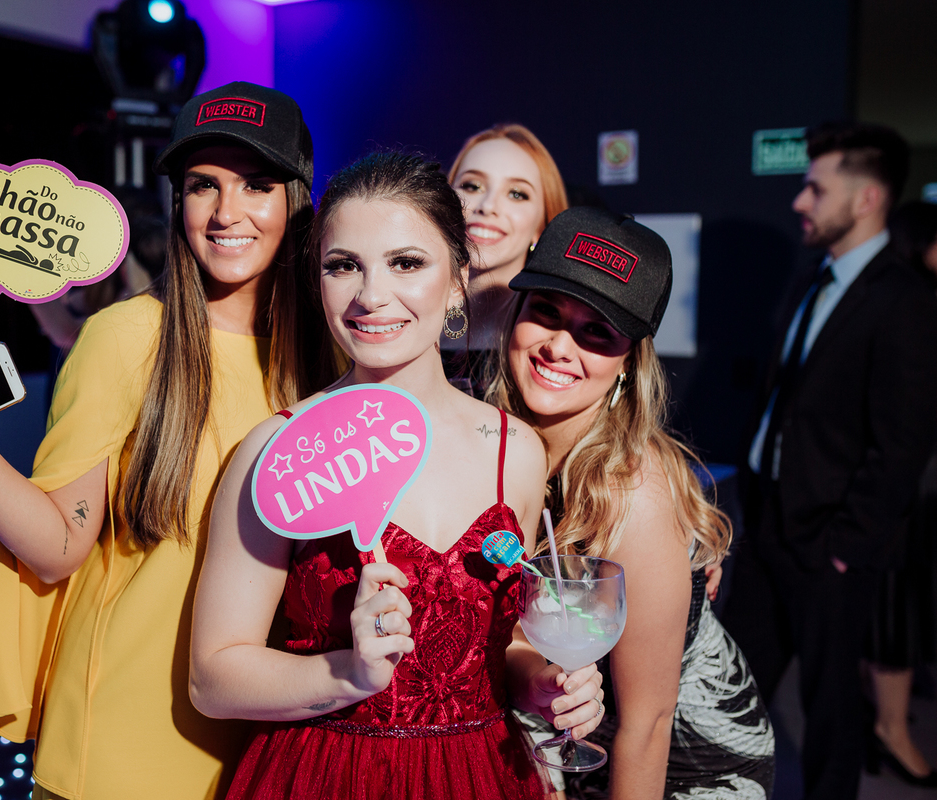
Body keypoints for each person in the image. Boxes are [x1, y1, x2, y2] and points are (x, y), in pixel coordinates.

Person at [0, 82, 339, 800]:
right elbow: (59, 542)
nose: (228, 212)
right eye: (203, 186)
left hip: (272, 743)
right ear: (178, 201)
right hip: (126, 743)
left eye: (257, 184)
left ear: (296, 201)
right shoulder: (126, 338)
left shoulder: (327, 361)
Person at [190, 151, 606, 800]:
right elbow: (212, 678)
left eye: (406, 263)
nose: (371, 296)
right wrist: (346, 674)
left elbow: (508, 643)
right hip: (327, 774)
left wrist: (545, 682)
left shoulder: (515, 451)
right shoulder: (281, 450)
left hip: (480, 774)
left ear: (457, 280)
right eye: (342, 266)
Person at [489, 206, 775, 799]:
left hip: (682, 762)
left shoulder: (634, 490)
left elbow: (648, 724)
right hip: (564, 739)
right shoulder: (488, 440)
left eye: (598, 332)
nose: (560, 347)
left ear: (629, 361)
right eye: (547, 311)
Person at [721, 122, 937, 800]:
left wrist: (847, 546)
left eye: (816, 188)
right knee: (726, 686)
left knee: (832, 716)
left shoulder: (906, 300)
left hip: (830, 545)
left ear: (867, 197)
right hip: (768, 529)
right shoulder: (817, 281)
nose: (800, 202)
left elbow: (903, 444)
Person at [861, 200, 937, 787]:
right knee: (894, 608)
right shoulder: (907, 299)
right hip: (902, 490)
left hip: (915, 485)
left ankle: (889, 717)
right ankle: (891, 728)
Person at [443, 124, 569, 396]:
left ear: (541, 225)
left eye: (516, 194)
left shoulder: (553, 345)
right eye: (472, 185)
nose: (487, 205)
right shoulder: (403, 319)